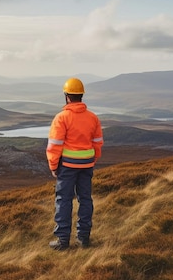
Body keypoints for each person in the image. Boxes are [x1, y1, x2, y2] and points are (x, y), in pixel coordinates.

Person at [46, 77, 103, 250]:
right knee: (85, 199)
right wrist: (92, 160)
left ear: (66, 96)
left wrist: (54, 166)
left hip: (68, 167)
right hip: (86, 165)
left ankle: (63, 240)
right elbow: (98, 143)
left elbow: (54, 146)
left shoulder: (62, 118)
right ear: (81, 96)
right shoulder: (93, 118)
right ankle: (83, 238)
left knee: (64, 200)